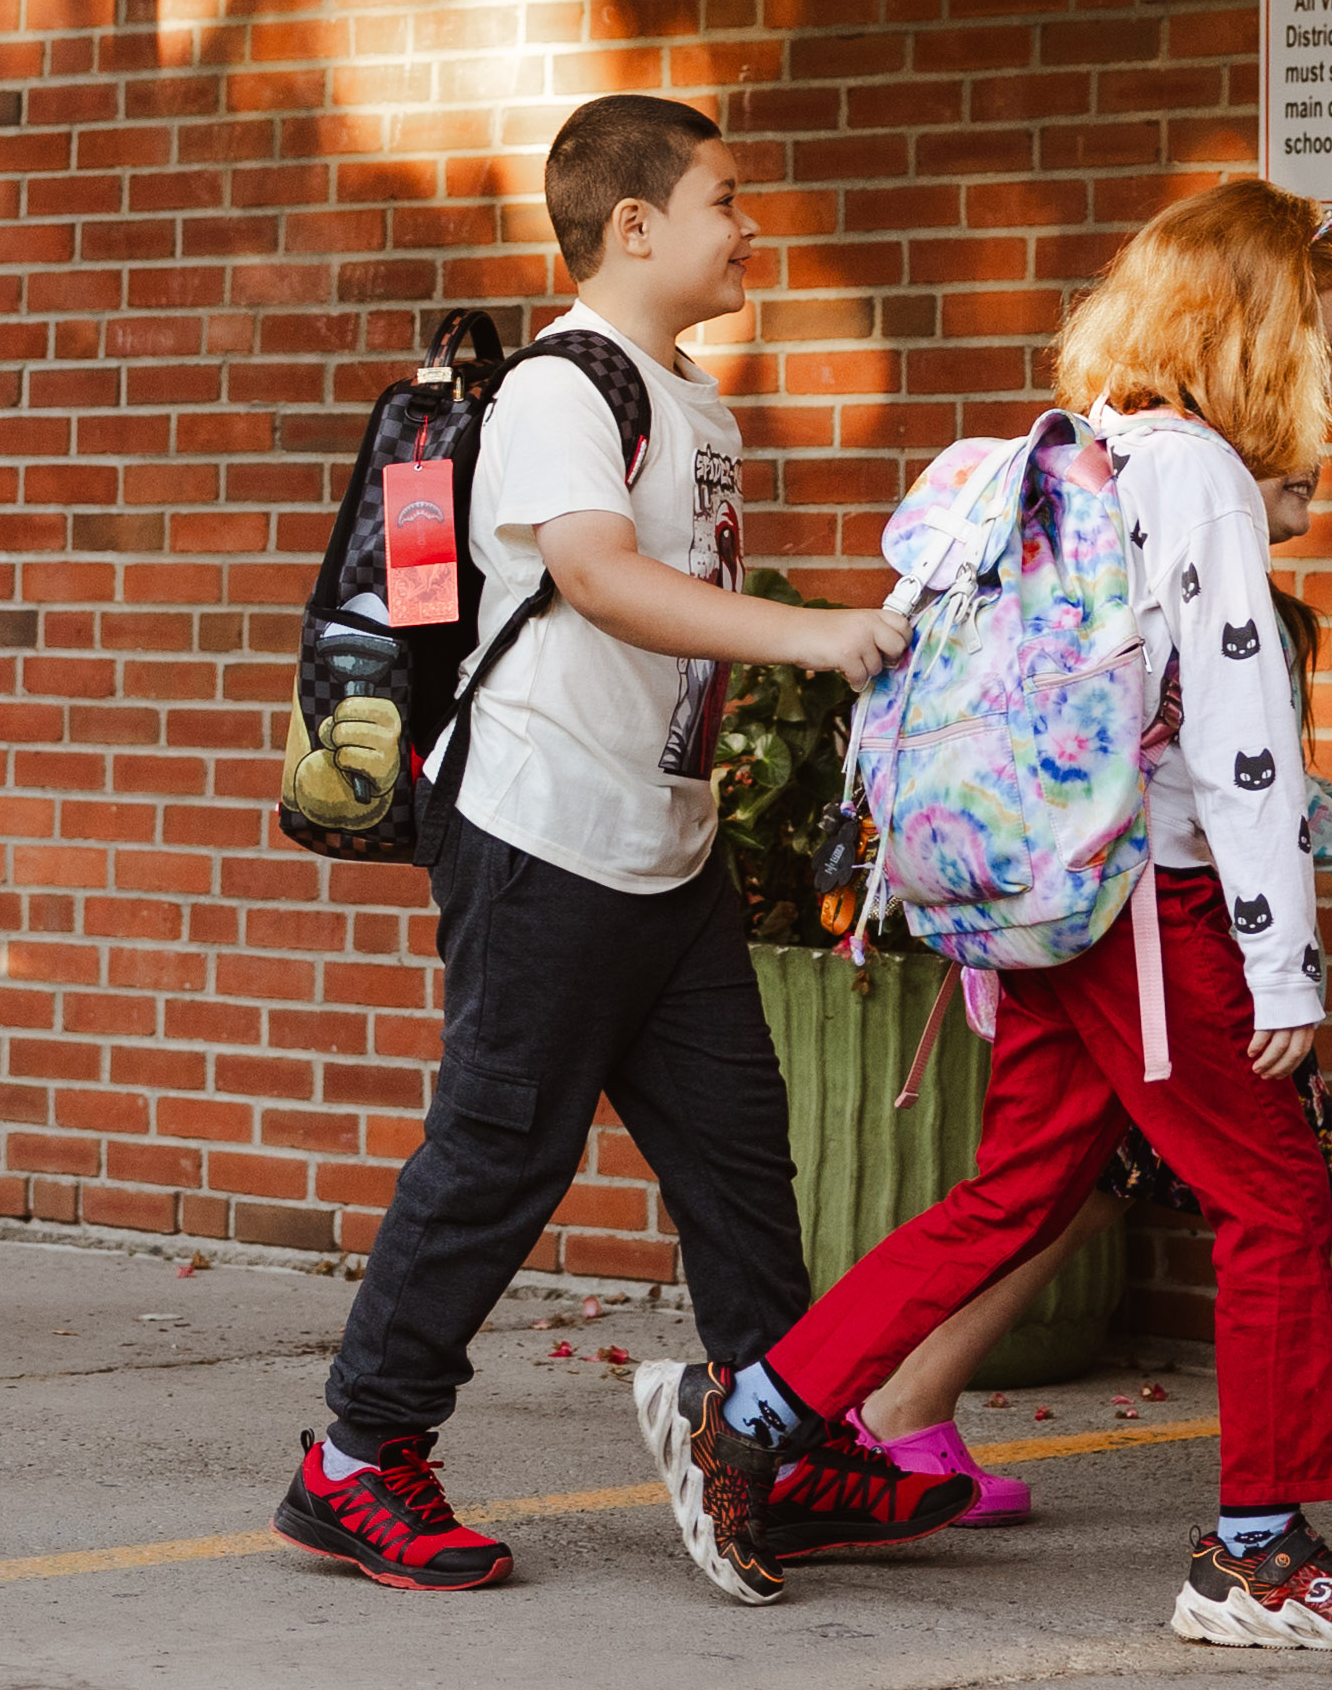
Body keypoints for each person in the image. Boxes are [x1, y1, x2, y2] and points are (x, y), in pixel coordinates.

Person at [634, 179, 1332, 1651]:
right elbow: (1242, 744)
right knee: (1272, 1200)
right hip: (1154, 907)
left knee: (1014, 1191)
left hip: (1052, 900)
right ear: (1253, 334)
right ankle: (1258, 1554)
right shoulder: (1199, 473)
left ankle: (748, 1416)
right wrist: (1284, 963)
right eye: (1325, 344)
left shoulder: (1071, 453)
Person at [280, 93, 969, 1592]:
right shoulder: (556, 391)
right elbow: (593, 578)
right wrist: (819, 637)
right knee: (500, 1154)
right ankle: (357, 1457)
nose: (753, 227)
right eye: (728, 199)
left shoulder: (690, 398)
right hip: (538, 831)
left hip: (661, 845)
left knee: (739, 1159)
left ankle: (772, 1446)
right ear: (635, 224)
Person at [850, 456, 1332, 1527]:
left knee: (1086, 1195)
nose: (1310, 452)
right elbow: (1228, 779)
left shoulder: (1170, 590)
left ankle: (874, 1406)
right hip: (1163, 956)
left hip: (1104, 939)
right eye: (1274, 437)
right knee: (1273, 1186)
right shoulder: (1201, 587)